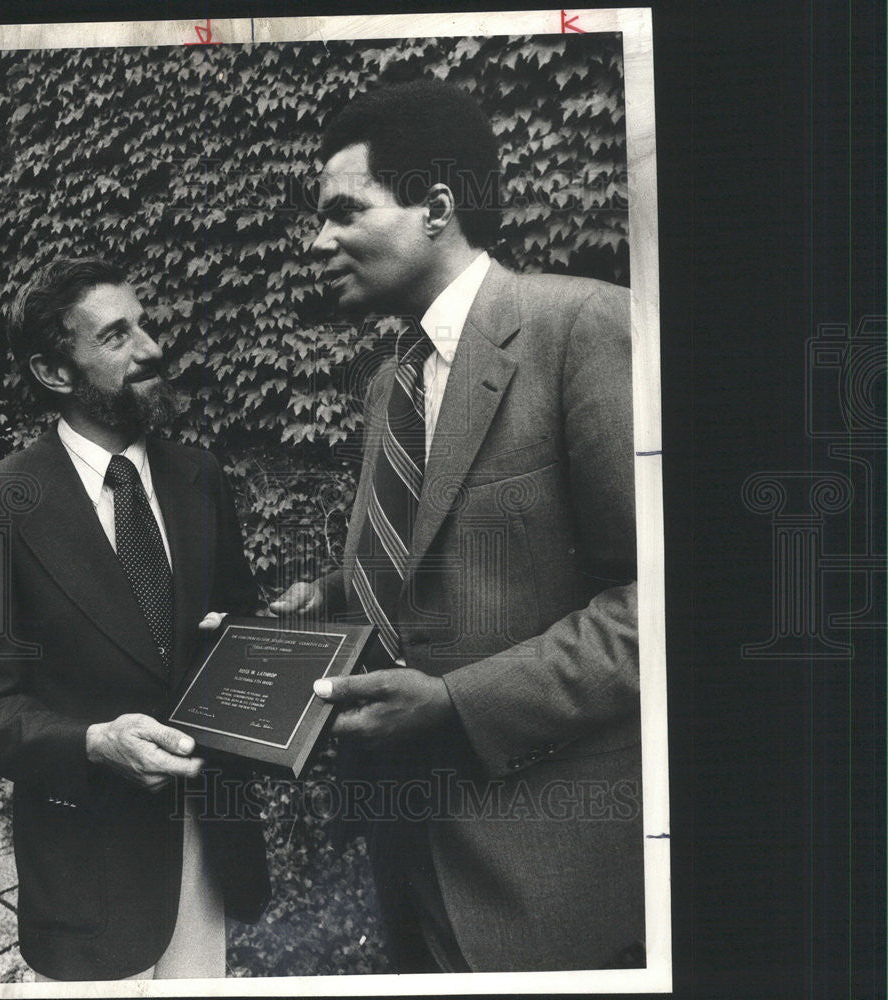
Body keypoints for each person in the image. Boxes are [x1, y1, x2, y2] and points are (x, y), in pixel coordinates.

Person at [271, 79, 645, 972]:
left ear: (435, 207)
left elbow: (663, 603)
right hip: (406, 847)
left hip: (547, 872)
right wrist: (322, 598)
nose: (318, 240)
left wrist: (454, 705)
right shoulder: (388, 384)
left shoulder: (581, 326)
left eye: (343, 211)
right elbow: (435, 553)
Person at [0, 257, 269, 981]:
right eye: (118, 336)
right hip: (86, 867)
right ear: (56, 374)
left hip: (208, 846)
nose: (151, 347)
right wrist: (92, 742)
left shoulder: (198, 475)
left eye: (144, 323)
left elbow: (235, 627)